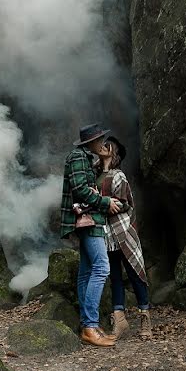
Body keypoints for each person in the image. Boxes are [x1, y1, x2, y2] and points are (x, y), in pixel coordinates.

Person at [60, 123, 124, 347]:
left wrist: (104, 165)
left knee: (86, 272)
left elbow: (90, 185)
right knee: (101, 268)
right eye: (101, 140)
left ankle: (89, 325)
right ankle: (89, 325)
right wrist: (105, 202)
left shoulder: (85, 158)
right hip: (89, 222)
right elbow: (80, 189)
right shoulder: (78, 157)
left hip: (90, 221)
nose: (104, 143)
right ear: (92, 142)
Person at [98, 136, 151, 340]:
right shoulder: (95, 174)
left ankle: (145, 316)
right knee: (115, 277)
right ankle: (119, 321)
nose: (103, 146)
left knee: (134, 272)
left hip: (122, 231)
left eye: (107, 145)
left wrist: (99, 203)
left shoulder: (118, 176)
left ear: (114, 153)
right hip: (105, 234)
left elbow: (122, 204)